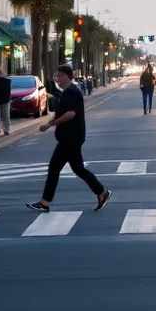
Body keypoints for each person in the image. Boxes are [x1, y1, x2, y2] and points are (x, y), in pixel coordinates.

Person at [26, 64, 111, 213]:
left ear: (66, 76)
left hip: (70, 137)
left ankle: (45, 202)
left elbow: (71, 114)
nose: (56, 79)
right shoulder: (67, 92)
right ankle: (102, 192)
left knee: (55, 168)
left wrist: (50, 124)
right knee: (77, 168)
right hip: (71, 137)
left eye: (58, 76)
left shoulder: (71, 92)